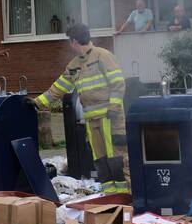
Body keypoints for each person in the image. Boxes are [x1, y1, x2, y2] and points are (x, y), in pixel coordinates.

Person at [34, 24, 129, 194]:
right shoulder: (74, 65)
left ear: (74, 41)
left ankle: (126, 197)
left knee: (116, 158)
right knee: (100, 160)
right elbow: (59, 87)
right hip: (92, 121)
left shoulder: (103, 56)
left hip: (110, 118)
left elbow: (118, 83)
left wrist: (114, 107)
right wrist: (37, 103)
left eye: (70, 41)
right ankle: (111, 197)